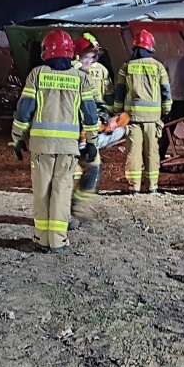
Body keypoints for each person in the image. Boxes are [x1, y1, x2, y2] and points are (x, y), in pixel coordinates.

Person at [11, 29, 98, 253]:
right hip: (68, 147)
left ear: (45, 52)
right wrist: (92, 142)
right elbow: (90, 114)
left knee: (42, 192)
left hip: (41, 146)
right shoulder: (81, 79)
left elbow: (24, 110)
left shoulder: (37, 74)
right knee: (62, 191)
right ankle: (59, 241)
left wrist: (17, 138)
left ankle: (41, 239)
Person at [114, 29, 171, 194]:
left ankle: (134, 187)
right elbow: (166, 91)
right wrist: (166, 110)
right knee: (152, 152)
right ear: (150, 47)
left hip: (131, 118)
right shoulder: (158, 67)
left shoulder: (126, 67)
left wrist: (117, 112)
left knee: (133, 152)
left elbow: (119, 92)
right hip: (153, 119)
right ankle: (152, 185)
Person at [70, 34, 113, 226]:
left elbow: (97, 100)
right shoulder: (69, 73)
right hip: (68, 133)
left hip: (85, 133)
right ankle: (63, 214)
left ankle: (76, 207)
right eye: (87, 56)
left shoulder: (88, 74)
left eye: (93, 57)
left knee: (93, 169)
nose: (91, 61)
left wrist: (105, 115)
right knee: (67, 174)